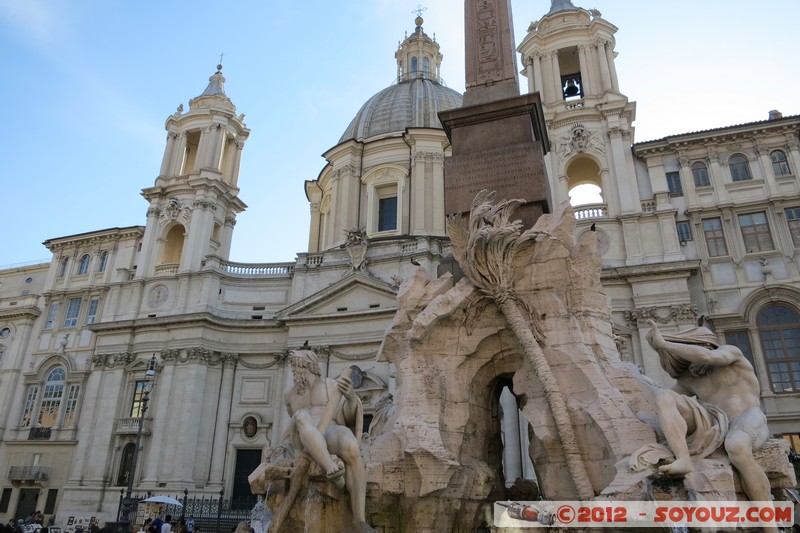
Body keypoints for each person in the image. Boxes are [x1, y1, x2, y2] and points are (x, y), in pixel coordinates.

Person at [641, 320, 777, 511]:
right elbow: (662, 399)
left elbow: (708, 357)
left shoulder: (730, 354)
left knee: (736, 445)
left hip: (748, 417)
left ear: (703, 345)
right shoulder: (688, 379)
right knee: (663, 396)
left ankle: (769, 524)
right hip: (715, 423)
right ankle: (684, 459)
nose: (687, 364)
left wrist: (664, 344)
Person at [284, 349, 373, 532]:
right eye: (293, 369)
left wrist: (350, 398)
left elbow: (347, 417)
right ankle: (331, 468)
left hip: (329, 429)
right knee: (301, 416)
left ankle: (359, 520)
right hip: (304, 438)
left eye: (297, 368)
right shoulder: (290, 395)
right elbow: (292, 425)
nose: (294, 372)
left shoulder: (330, 385)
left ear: (310, 366)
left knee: (352, 447)